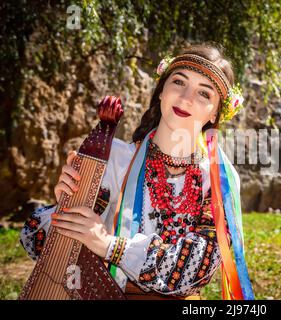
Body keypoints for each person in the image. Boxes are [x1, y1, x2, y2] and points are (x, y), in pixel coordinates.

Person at [20, 43, 254, 300]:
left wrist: (110, 246)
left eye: (204, 94)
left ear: (215, 113)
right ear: (162, 91)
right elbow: (39, 245)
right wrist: (68, 204)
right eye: (178, 82)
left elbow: (195, 269)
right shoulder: (115, 158)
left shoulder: (220, 178)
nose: (186, 98)